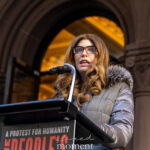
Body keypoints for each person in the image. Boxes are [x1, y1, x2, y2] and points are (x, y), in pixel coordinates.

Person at [54, 34, 134, 150]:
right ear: (73, 56)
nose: (84, 54)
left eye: (91, 49)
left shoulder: (119, 88)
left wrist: (88, 126)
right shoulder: (65, 91)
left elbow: (124, 133)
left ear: (100, 56)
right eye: (78, 50)